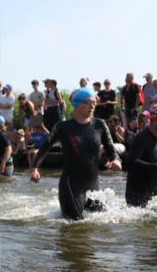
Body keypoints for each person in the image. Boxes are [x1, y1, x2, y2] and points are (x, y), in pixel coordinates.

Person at [29, 88, 121, 219]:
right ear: (78, 104)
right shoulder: (62, 127)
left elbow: (112, 150)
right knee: (75, 225)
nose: (93, 106)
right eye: (89, 102)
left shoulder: (100, 125)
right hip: (70, 187)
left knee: (101, 225)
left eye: (94, 103)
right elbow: (44, 149)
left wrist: (116, 160)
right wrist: (34, 168)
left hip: (93, 187)